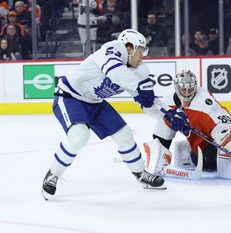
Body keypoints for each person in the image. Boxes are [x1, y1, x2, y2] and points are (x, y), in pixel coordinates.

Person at [42, 29, 167, 200]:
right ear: (129, 48)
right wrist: (139, 85)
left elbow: (146, 103)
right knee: (79, 136)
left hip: (95, 102)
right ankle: (52, 175)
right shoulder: (112, 49)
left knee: (125, 135)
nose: (142, 57)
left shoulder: (138, 71)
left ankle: (140, 175)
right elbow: (115, 72)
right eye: (139, 51)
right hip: (70, 97)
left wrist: (167, 115)